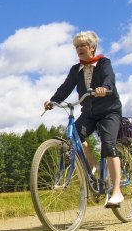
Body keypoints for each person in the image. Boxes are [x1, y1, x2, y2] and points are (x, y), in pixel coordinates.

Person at [43, 31, 124, 208]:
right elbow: (66, 87)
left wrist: (105, 88)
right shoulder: (75, 70)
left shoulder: (103, 62)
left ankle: (116, 191)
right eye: (77, 46)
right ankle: (91, 164)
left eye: (83, 45)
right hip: (89, 112)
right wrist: (53, 101)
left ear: (92, 47)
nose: (79, 48)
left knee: (108, 146)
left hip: (109, 111)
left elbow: (110, 78)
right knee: (71, 138)